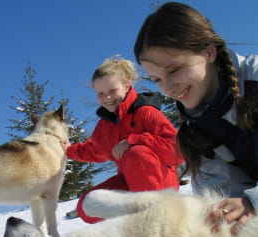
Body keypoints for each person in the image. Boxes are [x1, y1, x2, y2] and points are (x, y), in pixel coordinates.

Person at [134, 2, 258, 234]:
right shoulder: (196, 132)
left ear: (208, 51)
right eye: (156, 80)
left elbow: (256, 202)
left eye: (174, 70)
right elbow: (229, 195)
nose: (167, 88)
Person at [66, 56, 181, 223]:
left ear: (127, 86)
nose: (107, 98)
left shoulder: (146, 113)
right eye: (101, 93)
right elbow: (94, 150)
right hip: (130, 183)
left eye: (113, 91)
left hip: (160, 185)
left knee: (137, 154)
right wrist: (66, 150)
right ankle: (136, 223)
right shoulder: (105, 126)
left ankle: (160, 221)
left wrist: (135, 140)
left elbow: (177, 151)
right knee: (88, 205)